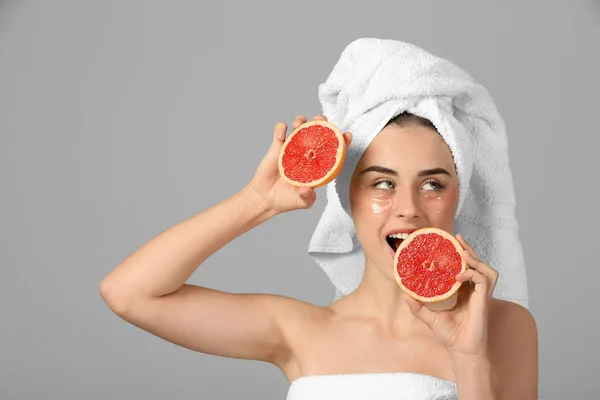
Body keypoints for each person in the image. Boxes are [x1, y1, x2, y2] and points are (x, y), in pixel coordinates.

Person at [99, 40, 538, 400]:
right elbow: (129, 294)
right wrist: (258, 201)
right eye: (382, 183)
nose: (409, 207)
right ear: (348, 196)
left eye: (432, 184)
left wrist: (468, 358)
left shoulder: (502, 326)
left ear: (457, 197)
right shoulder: (299, 330)